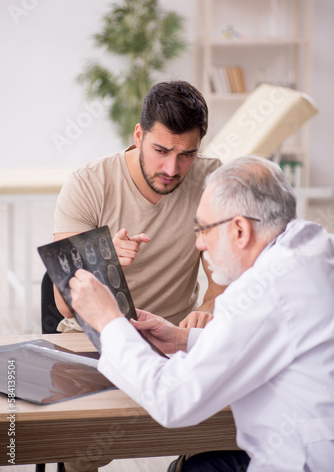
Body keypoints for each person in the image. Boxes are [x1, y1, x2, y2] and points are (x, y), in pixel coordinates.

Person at [70, 155, 334, 472]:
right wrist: (187, 340)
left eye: (203, 229)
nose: (198, 244)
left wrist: (108, 321)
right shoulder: (313, 245)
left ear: (239, 230)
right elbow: (272, 338)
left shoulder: (264, 290)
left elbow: (173, 399)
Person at [54, 80, 223, 332]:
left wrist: (209, 306)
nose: (172, 169)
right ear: (138, 135)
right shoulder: (87, 183)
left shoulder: (212, 181)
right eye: (161, 150)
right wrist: (103, 259)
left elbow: (223, 277)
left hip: (171, 338)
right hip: (94, 337)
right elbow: (65, 304)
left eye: (187, 154)